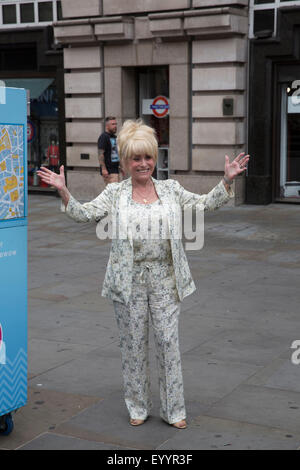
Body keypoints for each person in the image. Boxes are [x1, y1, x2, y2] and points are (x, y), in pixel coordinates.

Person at [37, 119, 250, 430]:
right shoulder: (115, 193)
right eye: (136, 158)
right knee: (133, 345)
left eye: (148, 157)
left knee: (168, 343)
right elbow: (85, 215)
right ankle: (138, 405)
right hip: (129, 281)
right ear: (124, 161)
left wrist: (226, 182)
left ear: (155, 159)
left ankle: (173, 410)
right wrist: (64, 191)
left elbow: (204, 205)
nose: (143, 163)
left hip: (166, 278)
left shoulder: (170, 189)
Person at [98, 117, 123, 185]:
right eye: (113, 124)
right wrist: (103, 169)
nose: (115, 126)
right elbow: (100, 154)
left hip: (115, 169)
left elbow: (117, 153)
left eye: (115, 124)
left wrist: (121, 166)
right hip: (109, 170)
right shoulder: (104, 137)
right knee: (114, 192)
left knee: (115, 192)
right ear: (107, 126)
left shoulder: (114, 137)